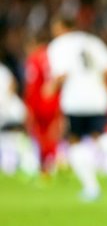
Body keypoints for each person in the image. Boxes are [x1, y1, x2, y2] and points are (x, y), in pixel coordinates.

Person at [46, 15, 107, 201]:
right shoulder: (92, 41)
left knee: (75, 141)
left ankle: (91, 188)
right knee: (99, 134)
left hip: (75, 100)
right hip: (97, 98)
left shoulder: (58, 45)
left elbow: (60, 75)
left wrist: (50, 87)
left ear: (62, 27)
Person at [24, 29, 63, 176]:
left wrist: (29, 107)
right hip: (55, 102)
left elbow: (32, 85)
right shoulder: (54, 55)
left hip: (39, 103)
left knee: (40, 136)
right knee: (52, 135)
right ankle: (50, 165)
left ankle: (45, 168)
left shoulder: (34, 59)